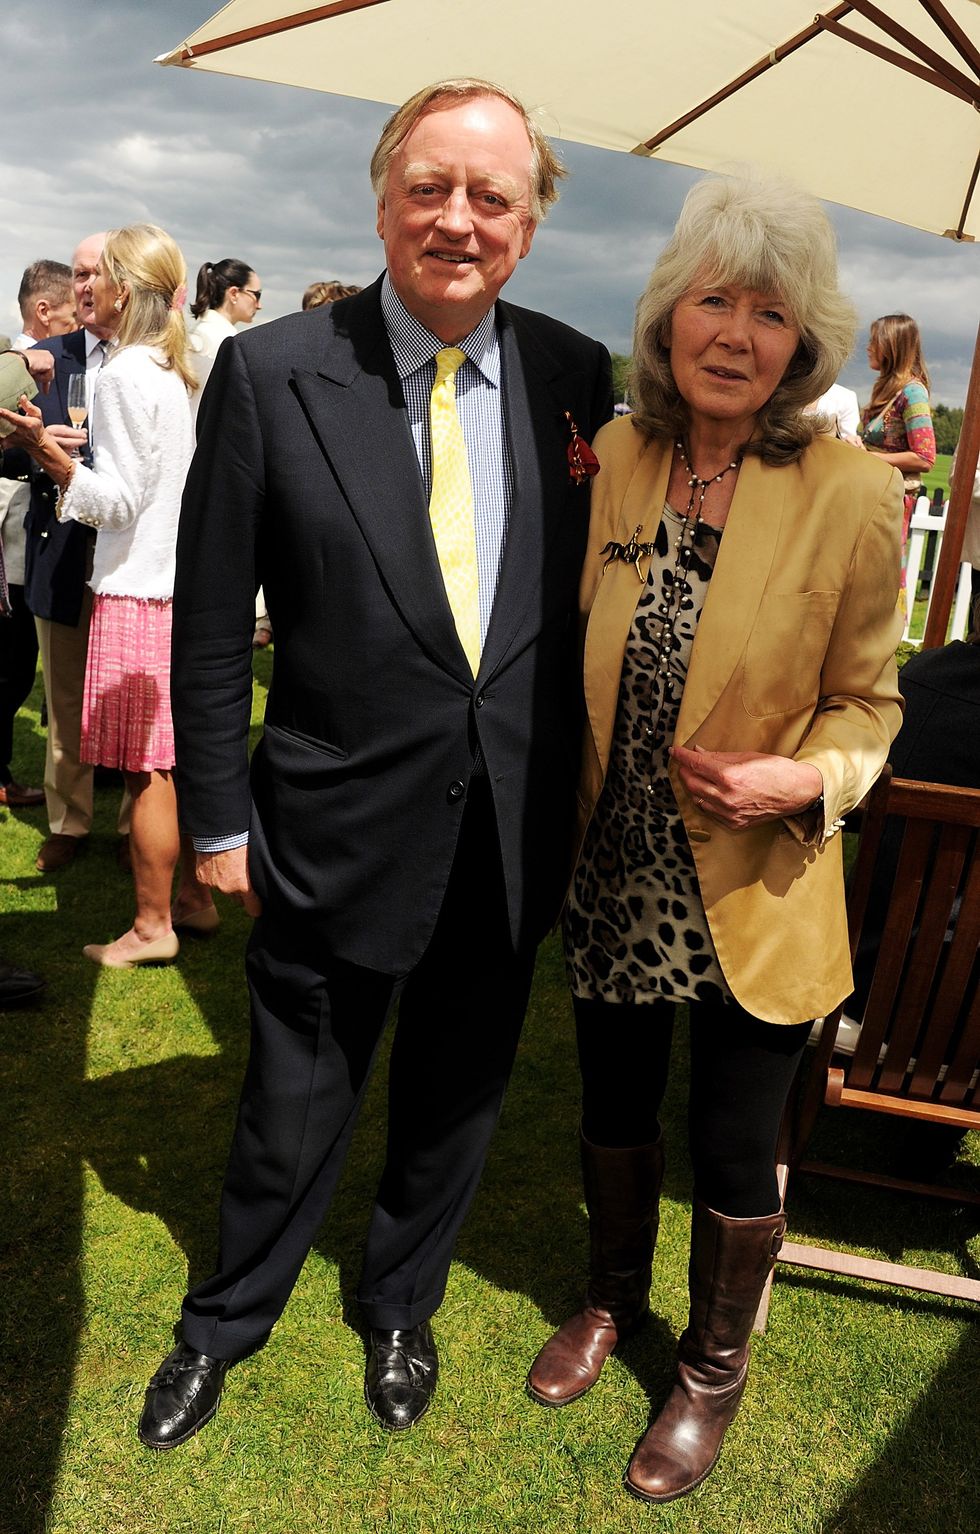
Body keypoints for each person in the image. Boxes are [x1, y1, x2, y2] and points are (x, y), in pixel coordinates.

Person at [136, 76, 612, 1451]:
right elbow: (215, 618)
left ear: (531, 219)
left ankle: (400, 1299)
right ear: (382, 192)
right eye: (432, 188)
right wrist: (217, 815)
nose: (459, 220)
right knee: (295, 1102)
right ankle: (224, 1317)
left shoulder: (577, 377)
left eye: (493, 197)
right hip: (332, 815)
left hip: (513, 826)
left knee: (459, 1091)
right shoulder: (276, 370)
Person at [524, 173, 905, 1505]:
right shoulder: (619, 456)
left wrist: (806, 778)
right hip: (616, 859)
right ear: (668, 313)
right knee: (617, 1106)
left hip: (758, 877)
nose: (738, 332)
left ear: (805, 343)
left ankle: (711, 1371)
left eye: (771, 311)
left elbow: (874, 698)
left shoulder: (854, 490)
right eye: (715, 298)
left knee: (735, 1141)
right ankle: (611, 1299)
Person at [0, 224, 216, 967]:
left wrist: (46, 455)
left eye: (98, 277)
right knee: (171, 762)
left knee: (146, 772)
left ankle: (153, 927)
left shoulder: (125, 372)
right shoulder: (169, 365)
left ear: (127, 288)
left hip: (134, 592)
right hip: (174, 588)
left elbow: (117, 504)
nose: (82, 287)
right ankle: (193, 897)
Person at [18, 234, 131, 872]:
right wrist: (38, 448)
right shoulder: (42, 356)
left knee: (125, 691)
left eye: (98, 273)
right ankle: (70, 822)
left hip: (131, 555)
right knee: (63, 698)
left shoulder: (149, 358)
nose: (85, 285)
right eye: (80, 273)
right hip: (59, 548)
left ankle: (128, 825)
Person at [188, 258, 269, 646]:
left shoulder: (197, 337)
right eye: (256, 294)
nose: (260, 304)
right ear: (233, 293)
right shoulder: (223, 345)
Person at [859, 313, 936, 588]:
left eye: (874, 341)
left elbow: (925, 457)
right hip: (875, 497)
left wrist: (870, 458)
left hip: (890, 502)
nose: (868, 347)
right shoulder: (888, 389)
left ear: (892, 345)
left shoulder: (912, 393)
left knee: (879, 578)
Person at [11, 260, 75, 349]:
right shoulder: (33, 362)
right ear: (44, 312)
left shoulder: (11, 359)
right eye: (75, 316)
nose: (83, 325)